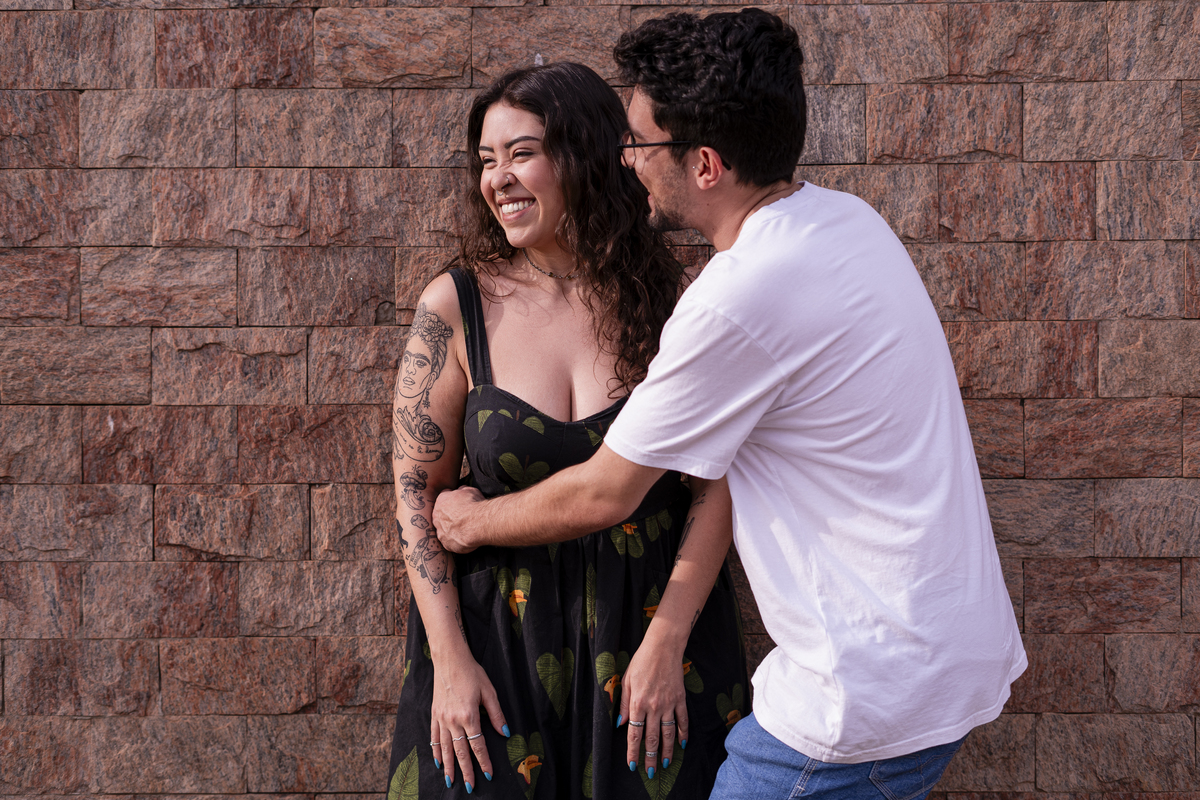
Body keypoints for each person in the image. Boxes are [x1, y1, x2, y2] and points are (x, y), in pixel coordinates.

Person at [433, 10, 1027, 800]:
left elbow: (607, 491)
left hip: (853, 702)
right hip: (949, 662)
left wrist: (470, 522)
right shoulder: (850, 222)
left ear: (705, 165)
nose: (626, 161)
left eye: (640, 143)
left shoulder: (735, 299)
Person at [386, 61, 748, 800]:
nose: (498, 179)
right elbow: (416, 497)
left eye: (521, 153)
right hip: (497, 645)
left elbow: (718, 485)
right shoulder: (456, 305)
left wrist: (668, 639)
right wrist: (449, 662)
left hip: (650, 636)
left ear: (584, 156)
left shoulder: (674, 305)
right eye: (486, 160)